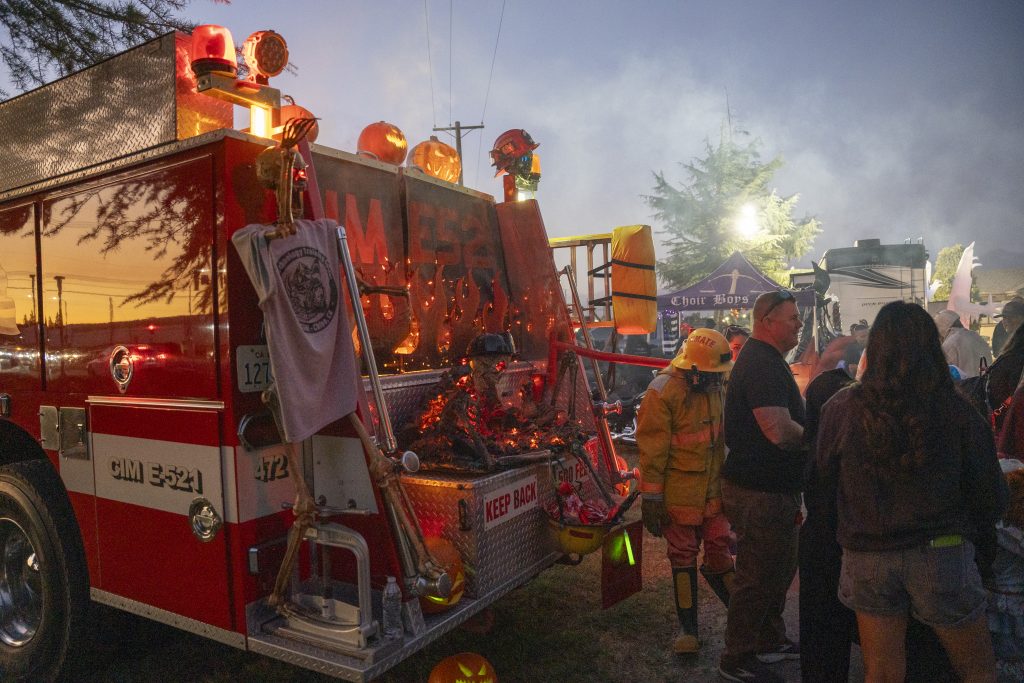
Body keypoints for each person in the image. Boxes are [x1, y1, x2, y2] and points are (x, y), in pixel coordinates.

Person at [817, 301, 1008, 683]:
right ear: (932, 348)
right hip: (942, 555)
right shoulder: (957, 409)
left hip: (868, 556)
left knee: (882, 673)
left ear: (875, 348)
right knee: (977, 672)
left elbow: (822, 481)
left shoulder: (842, 408)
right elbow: (990, 494)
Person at [718, 290, 805, 683]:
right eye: (793, 318)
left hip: (769, 488)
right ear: (767, 320)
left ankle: (769, 640)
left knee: (777, 568)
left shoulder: (766, 360)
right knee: (757, 575)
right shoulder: (762, 365)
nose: (799, 324)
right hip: (759, 490)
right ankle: (736, 657)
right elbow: (779, 431)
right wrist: (818, 438)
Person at [636, 328, 735, 655]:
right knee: (682, 555)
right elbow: (652, 452)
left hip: (713, 489)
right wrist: (651, 498)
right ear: (693, 369)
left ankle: (744, 620)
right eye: (713, 375)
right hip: (678, 495)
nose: (718, 379)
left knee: (719, 546)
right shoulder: (663, 392)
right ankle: (688, 630)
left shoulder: (716, 380)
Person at [934, 309, 993, 378]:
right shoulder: (977, 337)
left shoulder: (949, 344)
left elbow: (944, 373)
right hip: (985, 382)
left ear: (941, 328)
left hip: (966, 384)